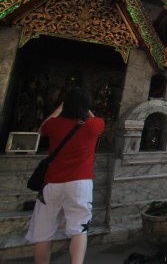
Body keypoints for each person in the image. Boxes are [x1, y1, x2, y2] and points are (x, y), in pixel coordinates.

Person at [26, 87, 105, 264]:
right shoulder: (94, 126)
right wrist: (86, 108)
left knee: (43, 233)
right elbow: (95, 120)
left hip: (52, 184)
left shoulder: (55, 125)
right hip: (80, 184)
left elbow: (42, 127)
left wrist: (61, 107)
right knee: (79, 230)